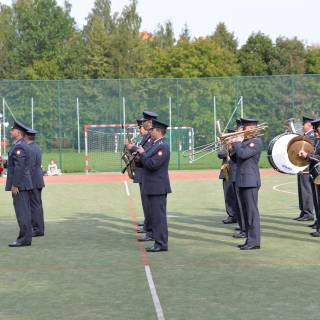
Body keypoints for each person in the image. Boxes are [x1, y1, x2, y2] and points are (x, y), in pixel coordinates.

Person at [137, 119, 171, 252]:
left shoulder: (162, 146)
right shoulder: (156, 144)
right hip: (153, 186)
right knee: (156, 217)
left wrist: (142, 153)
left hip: (158, 187)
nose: (150, 132)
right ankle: (158, 242)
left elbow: (153, 164)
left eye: (153, 130)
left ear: (158, 131)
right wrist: (139, 156)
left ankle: (161, 243)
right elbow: (147, 160)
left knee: (159, 218)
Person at [231, 118, 262, 250]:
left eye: (247, 128)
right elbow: (235, 158)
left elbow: (243, 155)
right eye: (244, 128)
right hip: (242, 181)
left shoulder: (256, 142)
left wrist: (237, 143)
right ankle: (249, 239)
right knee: (245, 212)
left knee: (251, 213)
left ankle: (254, 241)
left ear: (253, 129)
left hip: (250, 181)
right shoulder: (245, 142)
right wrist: (230, 145)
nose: (244, 130)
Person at [127, 111, 158, 242]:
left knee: (149, 204)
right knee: (146, 203)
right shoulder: (147, 136)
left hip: (148, 173)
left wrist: (132, 148)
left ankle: (150, 230)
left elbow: (146, 153)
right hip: (143, 172)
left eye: (143, 122)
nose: (141, 126)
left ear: (149, 122)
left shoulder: (151, 137)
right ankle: (148, 226)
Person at [5, 120, 33, 247]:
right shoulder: (19, 145)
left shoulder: (19, 146)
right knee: (24, 212)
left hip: (20, 185)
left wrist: (15, 184)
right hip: (23, 184)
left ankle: (23, 239)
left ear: (18, 132)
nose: (11, 131)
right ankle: (25, 238)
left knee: (22, 213)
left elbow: (19, 167)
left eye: (13, 130)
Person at [298, 119, 320, 237]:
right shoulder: (317, 141)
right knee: (317, 201)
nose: (316, 131)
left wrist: (308, 155)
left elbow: (317, 157)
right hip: (315, 173)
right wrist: (306, 156)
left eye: (317, 128)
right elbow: (314, 155)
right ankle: (318, 223)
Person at [24, 127, 45, 237]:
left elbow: (30, 167)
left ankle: (37, 229)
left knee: (34, 206)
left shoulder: (30, 148)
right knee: (37, 205)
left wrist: (27, 182)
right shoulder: (35, 147)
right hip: (37, 179)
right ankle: (38, 228)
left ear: (26, 136)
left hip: (33, 180)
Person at [294, 116, 315, 222]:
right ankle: (303, 211)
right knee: (301, 189)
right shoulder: (305, 135)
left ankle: (308, 212)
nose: (302, 126)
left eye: (303, 124)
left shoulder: (311, 135)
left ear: (309, 125)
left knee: (306, 189)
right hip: (302, 165)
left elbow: (308, 149)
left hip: (307, 165)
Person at [218, 129, 238, 225]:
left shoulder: (237, 144)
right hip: (226, 170)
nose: (228, 138)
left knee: (235, 194)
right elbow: (220, 155)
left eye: (229, 136)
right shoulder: (226, 145)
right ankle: (231, 215)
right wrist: (222, 144)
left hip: (235, 171)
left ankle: (238, 215)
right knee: (227, 193)